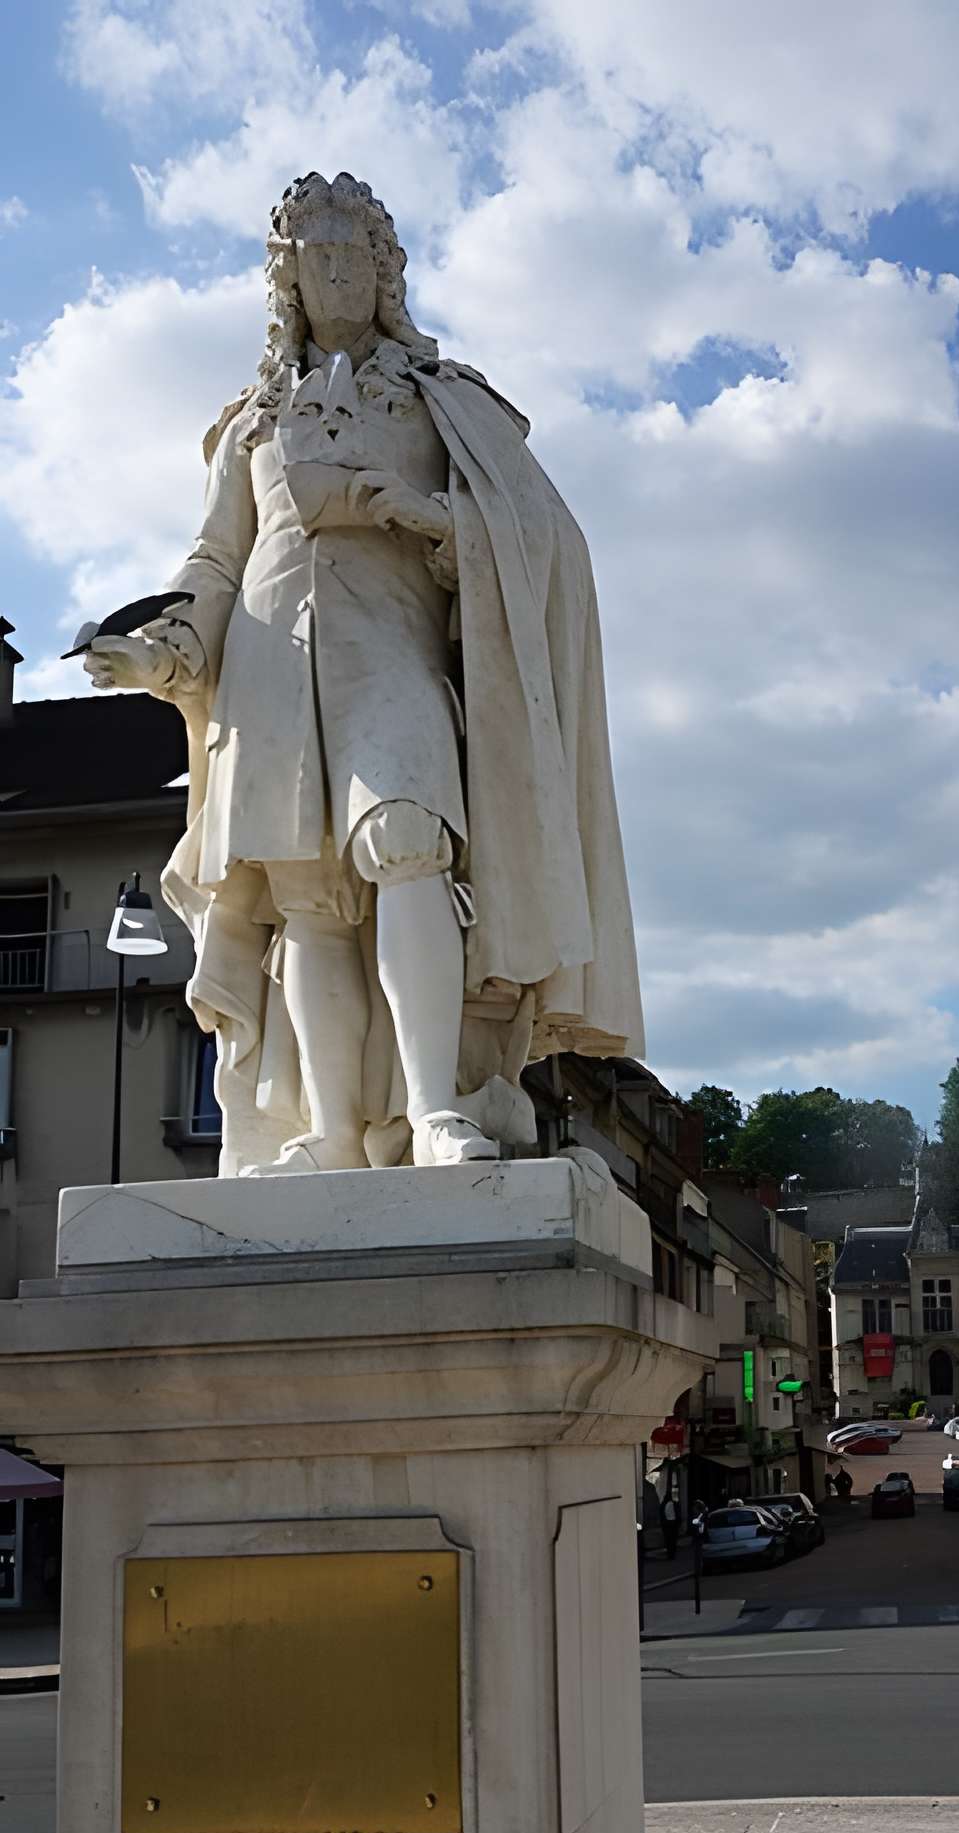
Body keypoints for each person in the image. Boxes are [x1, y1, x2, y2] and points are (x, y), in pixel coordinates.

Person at [84, 171, 642, 1175]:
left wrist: (423, 515)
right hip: (265, 677)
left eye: (352, 254)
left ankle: (433, 1110)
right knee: (307, 902)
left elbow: (544, 539)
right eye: (314, 257)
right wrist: (160, 645)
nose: (334, 272)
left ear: (383, 270)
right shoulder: (250, 422)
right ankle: (331, 1128)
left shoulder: (446, 401)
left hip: (394, 657)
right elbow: (215, 561)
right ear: (286, 278)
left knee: (408, 840)